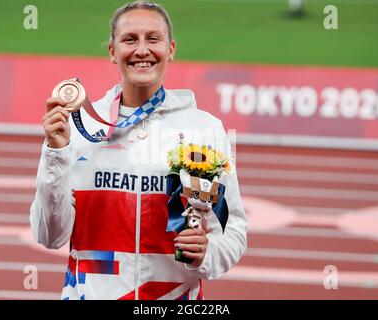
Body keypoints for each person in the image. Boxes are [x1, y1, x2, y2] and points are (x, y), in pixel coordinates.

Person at [30, 0, 247, 300]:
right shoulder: (81, 127)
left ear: (170, 49)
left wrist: (208, 253)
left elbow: (232, 227)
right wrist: (55, 153)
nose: (142, 50)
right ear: (112, 51)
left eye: (153, 39)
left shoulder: (204, 130)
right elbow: (50, 236)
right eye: (130, 39)